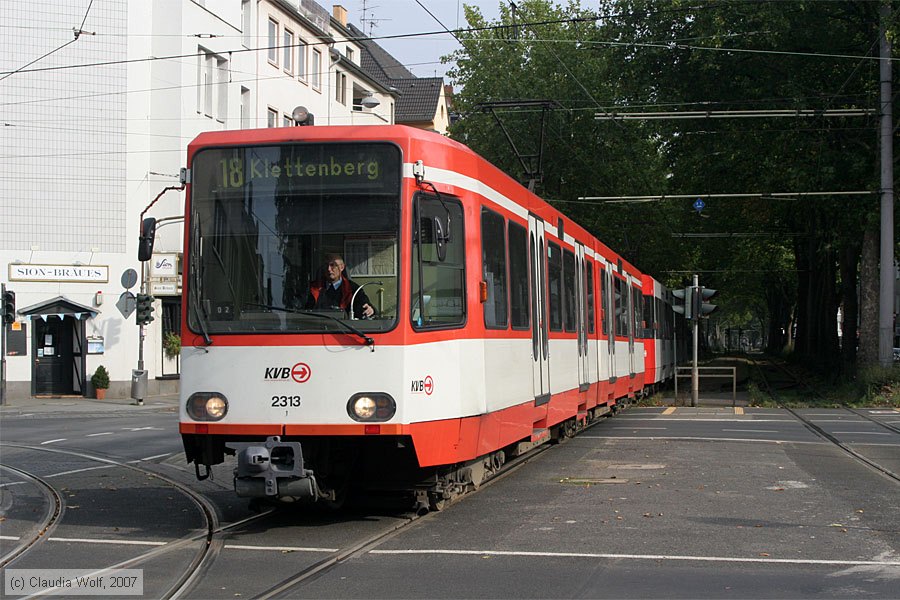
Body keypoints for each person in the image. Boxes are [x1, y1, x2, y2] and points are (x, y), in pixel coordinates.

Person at [305, 254, 375, 318]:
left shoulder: (354, 289)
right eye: (326, 265)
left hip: (344, 330)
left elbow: (365, 306)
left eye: (333, 265)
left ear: (342, 267)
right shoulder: (312, 288)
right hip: (316, 328)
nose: (328, 269)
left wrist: (369, 309)